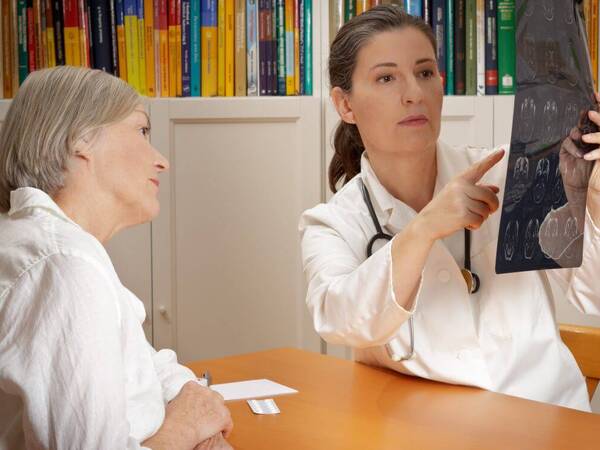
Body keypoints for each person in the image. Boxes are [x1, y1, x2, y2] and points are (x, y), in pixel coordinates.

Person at [299, 5, 600, 412]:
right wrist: (423, 230)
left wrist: (593, 193)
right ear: (344, 104)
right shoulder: (332, 223)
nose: (413, 93)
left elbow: (594, 295)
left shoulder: (516, 175)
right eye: (386, 78)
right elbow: (340, 319)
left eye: (425, 73)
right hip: (431, 432)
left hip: (550, 421)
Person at [0, 66, 233, 449]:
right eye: (142, 131)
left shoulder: (57, 249)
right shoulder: (65, 267)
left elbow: (151, 365)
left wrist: (190, 398)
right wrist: (186, 427)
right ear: (80, 139)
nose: (161, 161)